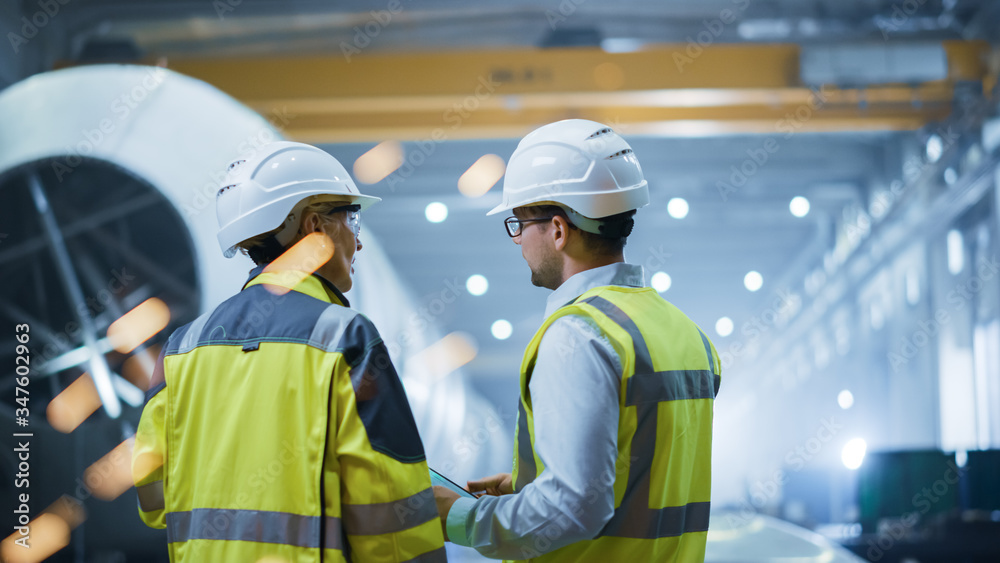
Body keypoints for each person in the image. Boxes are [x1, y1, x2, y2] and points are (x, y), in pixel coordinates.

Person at [132, 141, 447, 562]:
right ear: (315, 226)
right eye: (351, 217)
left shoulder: (181, 348)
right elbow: (390, 518)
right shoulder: (345, 340)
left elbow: (154, 501)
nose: (358, 240)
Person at [433, 120, 721, 561]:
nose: (518, 241)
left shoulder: (579, 336)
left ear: (558, 229)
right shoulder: (684, 331)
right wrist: (528, 487)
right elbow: (645, 471)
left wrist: (457, 518)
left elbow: (575, 509)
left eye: (519, 223)